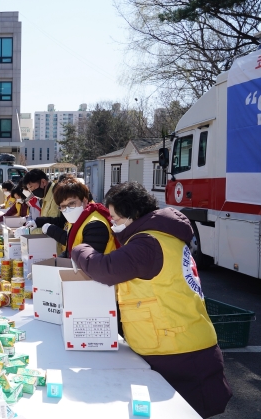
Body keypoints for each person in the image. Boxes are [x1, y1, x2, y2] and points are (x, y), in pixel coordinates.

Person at [71, 182, 232, 418]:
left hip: (178, 349)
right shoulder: (162, 237)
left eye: (115, 217)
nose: (112, 223)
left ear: (132, 215)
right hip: (181, 340)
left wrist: (80, 249)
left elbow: (105, 268)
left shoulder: (147, 243)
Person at [30, 177, 117, 258]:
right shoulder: (76, 221)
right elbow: (69, 249)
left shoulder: (95, 225)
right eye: (63, 206)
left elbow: (87, 261)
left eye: (71, 203)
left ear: (85, 201)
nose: (67, 210)